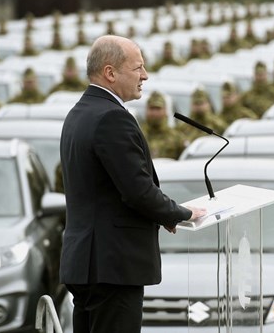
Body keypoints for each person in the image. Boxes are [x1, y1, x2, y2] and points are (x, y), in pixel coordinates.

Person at [59, 35, 205, 333]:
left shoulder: (79, 113)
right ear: (110, 73)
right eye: (138, 68)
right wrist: (180, 213)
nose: (145, 75)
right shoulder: (112, 117)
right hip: (113, 266)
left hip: (88, 263)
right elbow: (137, 190)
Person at [140, 91, 187, 159]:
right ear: (146, 110)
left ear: (165, 111)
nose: (155, 113)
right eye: (152, 109)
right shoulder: (139, 136)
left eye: (158, 109)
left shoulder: (177, 138)